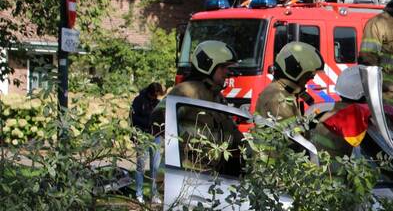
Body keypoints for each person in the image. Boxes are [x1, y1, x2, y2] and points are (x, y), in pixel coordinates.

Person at [161, 40, 244, 174]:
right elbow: (159, 118)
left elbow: (232, 133)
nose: (227, 72)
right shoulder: (188, 91)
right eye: (223, 67)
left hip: (207, 176)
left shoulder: (217, 98)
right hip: (183, 174)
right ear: (207, 65)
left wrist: (251, 151)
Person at [254, 41, 324, 123]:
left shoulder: (286, 90)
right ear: (294, 71)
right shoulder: (278, 99)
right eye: (309, 75)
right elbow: (293, 134)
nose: (311, 78)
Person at [131, 81, 165, 202]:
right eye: (156, 95)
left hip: (155, 137)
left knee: (154, 167)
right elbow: (133, 117)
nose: (157, 97)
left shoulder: (158, 103)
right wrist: (148, 123)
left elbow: (162, 120)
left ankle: (154, 194)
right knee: (140, 166)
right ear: (152, 93)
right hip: (142, 136)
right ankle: (139, 194)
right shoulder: (138, 100)